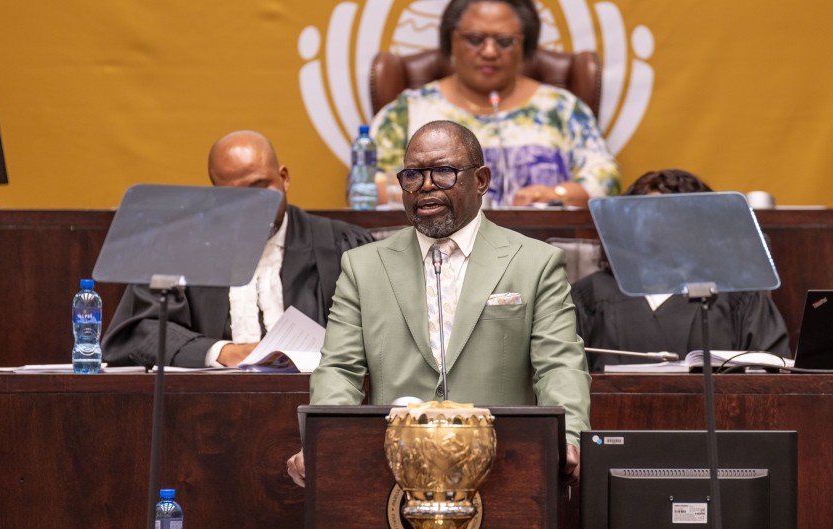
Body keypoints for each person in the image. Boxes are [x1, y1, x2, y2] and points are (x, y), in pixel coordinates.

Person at [287, 120, 591, 486]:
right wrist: (323, 441)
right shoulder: (362, 267)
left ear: (481, 180)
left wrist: (569, 437)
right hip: (392, 470)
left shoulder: (535, 263)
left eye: (444, 172)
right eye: (413, 175)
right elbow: (340, 369)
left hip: (505, 466)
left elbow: (558, 364)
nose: (426, 186)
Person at [102, 130, 374, 367]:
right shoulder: (181, 248)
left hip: (318, 400)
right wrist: (222, 352)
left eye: (260, 186)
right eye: (235, 195)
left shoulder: (343, 246)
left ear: (284, 178)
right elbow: (139, 332)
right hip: (211, 403)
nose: (253, 205)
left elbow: (383, 331)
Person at [370, 0, 619, 208]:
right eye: (475, 39)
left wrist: (556, 194)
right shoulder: (409, 110)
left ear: (525, 45)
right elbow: (367, 187)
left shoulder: (562, 109)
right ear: (451, 40)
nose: (489, 52)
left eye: (504, 41)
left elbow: (606, 179)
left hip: (538, 242)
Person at [571, 169, 792, 371]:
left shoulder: (739, 294)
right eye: (649, 215)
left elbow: (773, 374)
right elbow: (566, 374)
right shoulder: (590, 295)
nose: (659, 226)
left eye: (672, 216)